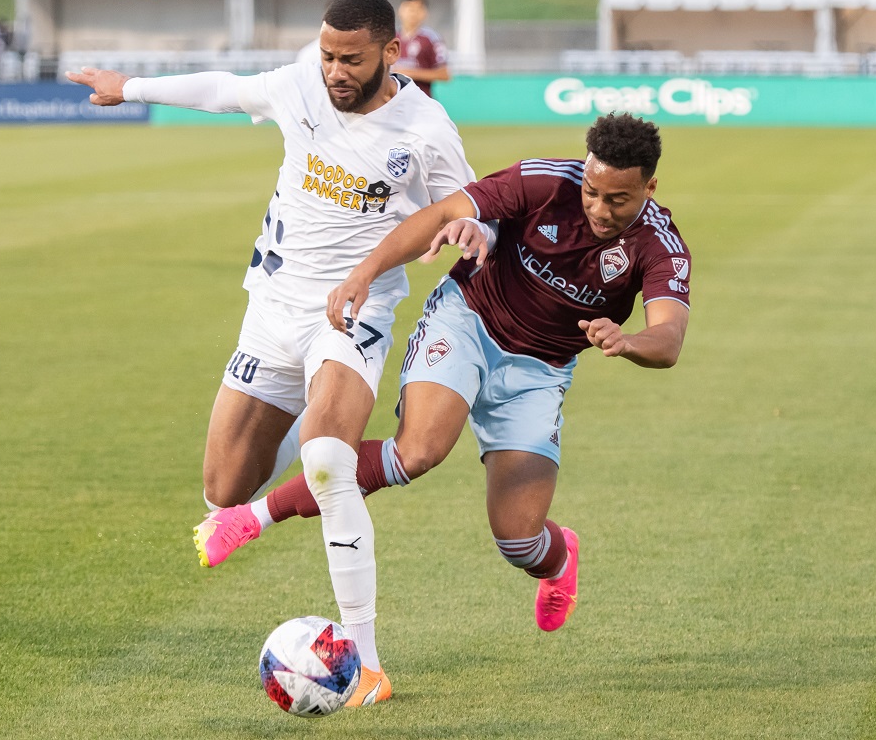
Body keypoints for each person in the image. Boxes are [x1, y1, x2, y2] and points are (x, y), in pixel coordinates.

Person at [66, 0, 476, 707]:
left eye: (350, 59)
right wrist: (128, 86)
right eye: (326, 54)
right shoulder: (299, 85)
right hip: (272, 312)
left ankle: (369, 665)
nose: (334, 70)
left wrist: (473, 237)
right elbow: (226, 89)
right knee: (223, 489)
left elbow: (467, 207)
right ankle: (284, 465)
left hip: (354, 317)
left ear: (389, 52)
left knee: (326, 460)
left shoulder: (427, 130)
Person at [201, 114, 691, 651]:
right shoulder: (546, 181)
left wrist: (628, 341)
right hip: (466, 321)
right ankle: (252, 518)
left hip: (540, 372)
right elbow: (443, 211)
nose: (598, 208)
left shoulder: (660, 245)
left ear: (649, 187)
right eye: (592, 191)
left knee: (519, 538)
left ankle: (560, 559)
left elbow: (667, 338)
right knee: (417, 451)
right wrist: (363, 273)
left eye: (617, 200)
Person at [393, 0, 450, 98]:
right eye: (409, 8)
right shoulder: (390, 37)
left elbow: (444, 74)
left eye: (417, 9)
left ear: (425, 13)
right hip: (393, 100)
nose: (412, 13)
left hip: (420, 99)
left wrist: (408, 73)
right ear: (400, 10)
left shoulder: (432, 38)